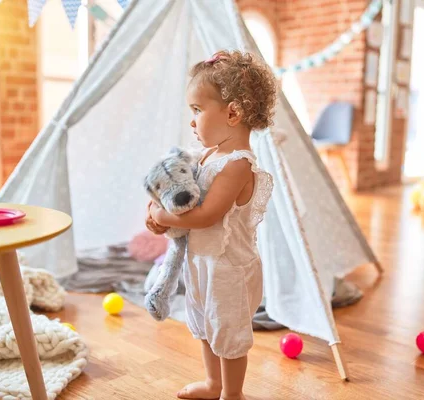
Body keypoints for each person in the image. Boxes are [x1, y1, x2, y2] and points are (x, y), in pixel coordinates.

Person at [145, 49, 277, 400]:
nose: (192, 121)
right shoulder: (205, 155)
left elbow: (207, 216)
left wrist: (163, 218)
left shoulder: (238, 165)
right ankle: (213, 383)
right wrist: (160, 211)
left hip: (229, 268)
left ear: (232, 113)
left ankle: (232, 393)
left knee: (228, 333)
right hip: (202, 262)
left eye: (198, 110)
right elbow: (185, 201)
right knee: (204, 324)